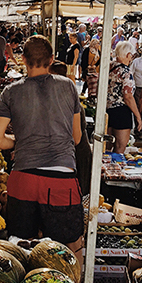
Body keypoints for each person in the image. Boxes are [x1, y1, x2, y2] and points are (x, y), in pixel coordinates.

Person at [0, 35, 84, 266]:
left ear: (23, 59)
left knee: (24, 246)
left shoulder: (11, 92)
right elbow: (77, 137)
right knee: (71, 245)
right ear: (52, 59)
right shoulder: (68, 86)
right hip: (62, 179)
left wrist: (19, 141)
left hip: (24, 178)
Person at [51, 61, 92, 195]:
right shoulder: (57, 98)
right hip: (68, 156)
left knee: (78, 195)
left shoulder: (69, 101)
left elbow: (76, 139)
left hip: (77, 156)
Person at [106, 41, 142, 153]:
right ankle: (114, 169)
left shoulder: (109, 67)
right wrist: (138, 116)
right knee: (120, 146)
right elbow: (128, 96)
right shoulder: (125, 72)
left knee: (106, 146)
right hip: (121, 112)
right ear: (128, 55)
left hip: (107, 109)